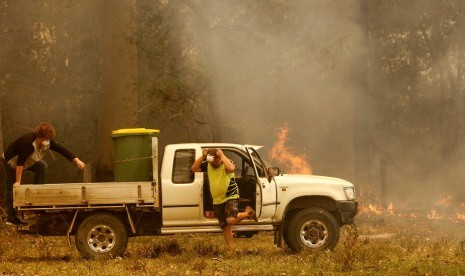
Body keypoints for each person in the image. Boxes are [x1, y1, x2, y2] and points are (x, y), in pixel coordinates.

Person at [2, 122, 86, 226]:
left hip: (29, 160)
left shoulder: (48, 142)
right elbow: (20, 163)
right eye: (44, 139)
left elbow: (62, 150)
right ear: (38, 137)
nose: (46, 141)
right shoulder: (28, 143)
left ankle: (36, 199)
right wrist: (18, 182)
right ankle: (11, 218)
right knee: (11, 187)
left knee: (42, 166)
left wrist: (77, 160)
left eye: (48, 139)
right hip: (12, 161)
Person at [191, 148, 257, 251]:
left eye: (215, 161)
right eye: (211, 162)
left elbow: (231, 169)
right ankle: (231, 250)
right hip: (217, 200)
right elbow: (194, 168)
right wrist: (203, 157)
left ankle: (248, 213)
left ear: (219, 158)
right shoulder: (209, 164)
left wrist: (221, 155)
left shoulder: (227, 162)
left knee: (230, 219)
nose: (213, 165)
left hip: (230, 196)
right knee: (225, 227)